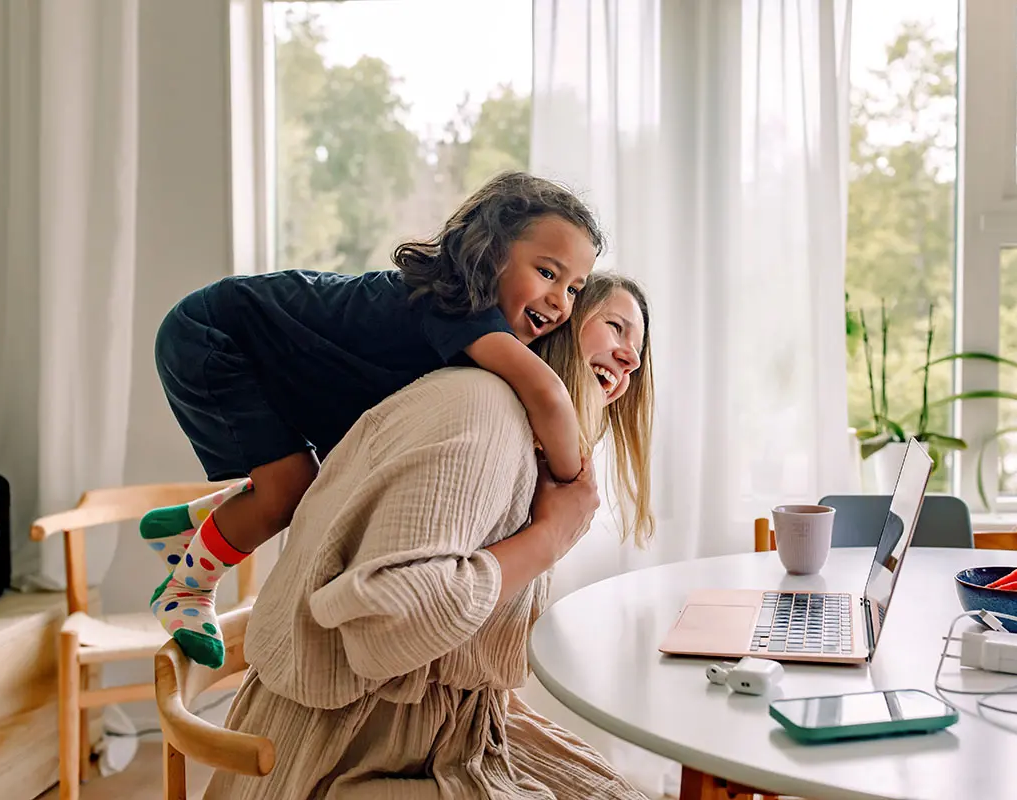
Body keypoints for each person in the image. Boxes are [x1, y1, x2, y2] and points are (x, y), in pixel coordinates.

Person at [204, 273, 654, 800]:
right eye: (616, 328)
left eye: (637, 351)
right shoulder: (486, 413)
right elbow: (387, 625)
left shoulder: (521, 434)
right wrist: (552, 535)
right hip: (347, 756)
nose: (631, 361)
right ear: (559, 321)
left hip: (435, 735)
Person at [140, 172, 602, 669]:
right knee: (289, 490)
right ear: (490, 254)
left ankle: (191, 528)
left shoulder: (467, 328)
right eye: (548, 274)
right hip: (213, 334)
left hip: (257, 345)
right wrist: (574, 486)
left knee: (314, 479)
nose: (560, 302)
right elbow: (548, 394)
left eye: (576, 289)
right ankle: (185, 590)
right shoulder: (457, 305)